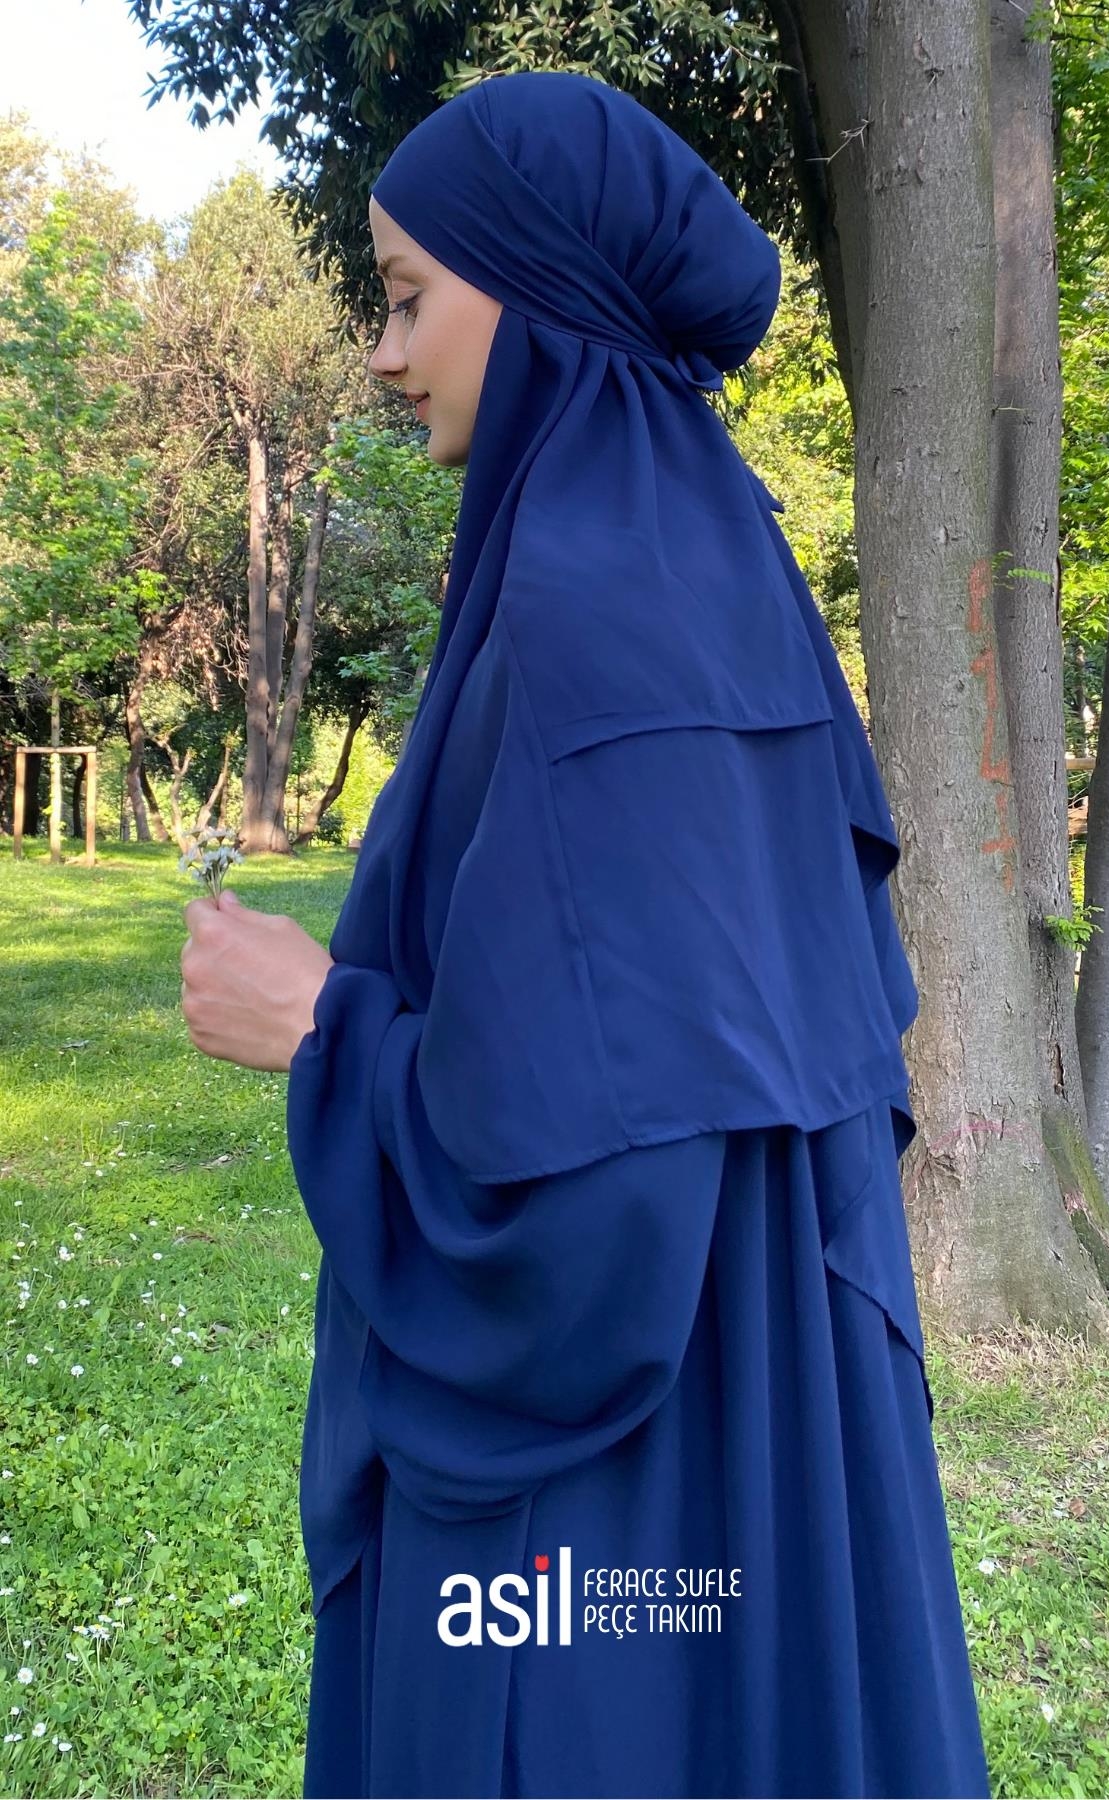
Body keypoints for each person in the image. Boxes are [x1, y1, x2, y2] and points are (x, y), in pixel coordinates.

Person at [181, 69, 992, 1800]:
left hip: (601, 1504)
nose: (384, 353)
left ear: (532, 287)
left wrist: (319, 1024)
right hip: (753, 1428)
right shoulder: (712, 566)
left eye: (408, 296)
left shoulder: (590, 608)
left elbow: (590, 1202)